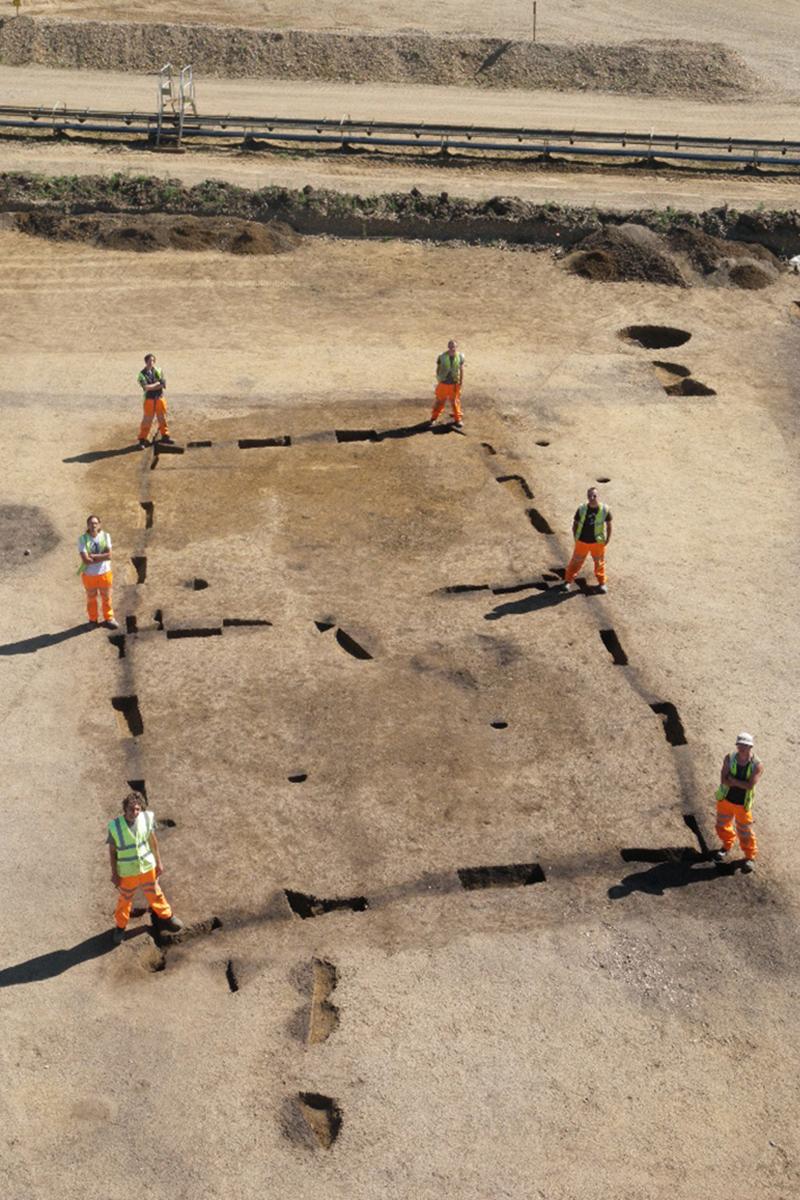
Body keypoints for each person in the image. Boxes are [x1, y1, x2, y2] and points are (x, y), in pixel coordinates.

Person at [108, 791, 183, 944]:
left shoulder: (147, 819)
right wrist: (114, 874)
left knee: (155, 893)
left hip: (147, 867)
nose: (134, 813)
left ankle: (167, 917)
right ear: (125, 808)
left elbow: (153, 842)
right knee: (125, 900)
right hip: (128, 872)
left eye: (137, 809)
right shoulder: (115, 826)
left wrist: (159, 862)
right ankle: (120, 927)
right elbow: (112, 852)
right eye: (131, 809)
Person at [713, 732, 763, 872]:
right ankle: (726, 846)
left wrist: (733, 781)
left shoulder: (757, 765)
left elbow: (749, 786)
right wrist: (739, 782)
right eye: (740, 744)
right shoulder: (729, 758)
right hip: (726, 800)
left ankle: (749, 857)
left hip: (742, 805)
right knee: (721, 825)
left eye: (745, 745)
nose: (742, 747)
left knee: (745, 831)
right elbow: (723, 780)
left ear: (750, 747)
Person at [563, 487, 612, 592]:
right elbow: (575, 524)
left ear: (598, 496)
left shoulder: (604, 509)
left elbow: (609, 525)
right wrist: (576, 537)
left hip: (597, 542)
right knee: (575, 562)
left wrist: (607, 539)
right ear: (587, 496)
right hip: (582, 541)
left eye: (594, 496)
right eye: (590, 496)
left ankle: (602, 583)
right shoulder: (582, 509)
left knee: (599, 563)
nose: (592, 498)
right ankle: (568, 581)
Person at [77, 514, 118, 629]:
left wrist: (93, 556)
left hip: (105, 573)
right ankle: (93, 620)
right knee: (91, 599)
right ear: (88, 525)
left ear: (99, 524)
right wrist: (101, 556)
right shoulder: (82, 539)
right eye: (91, 523)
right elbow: (86, 560)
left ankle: (109, 618)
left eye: (95, 523)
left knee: (107, 598)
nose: (93, 525)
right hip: (89, 576)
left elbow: (109, 556)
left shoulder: (105, 536)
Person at [137, 353, 174, 448]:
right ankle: (142, 439)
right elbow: (146, 387)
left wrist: (152, 386)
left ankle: (165, 436)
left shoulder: (158, 370)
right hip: (149, 400)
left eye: (153, 361)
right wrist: (157, 385)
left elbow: (163, 384)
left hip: (159, 398)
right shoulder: (141, 374)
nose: (151, 363)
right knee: (147, 420)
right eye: (149, 361)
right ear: (146, 362)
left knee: (162, 418)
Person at [431, 339, 465, 430]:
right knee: (440, 401)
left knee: (455, 402)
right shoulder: (441, 357)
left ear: (456, 347)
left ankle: (458, 419)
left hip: (454, 384)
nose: (452, 348)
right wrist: (439, 379)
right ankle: (434, 418)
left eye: (453, 346)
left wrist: (460, 381)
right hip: (443, 384)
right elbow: (438, 369)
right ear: (448, 347)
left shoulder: (460, 357)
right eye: (450, 346)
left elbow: (461, 369)